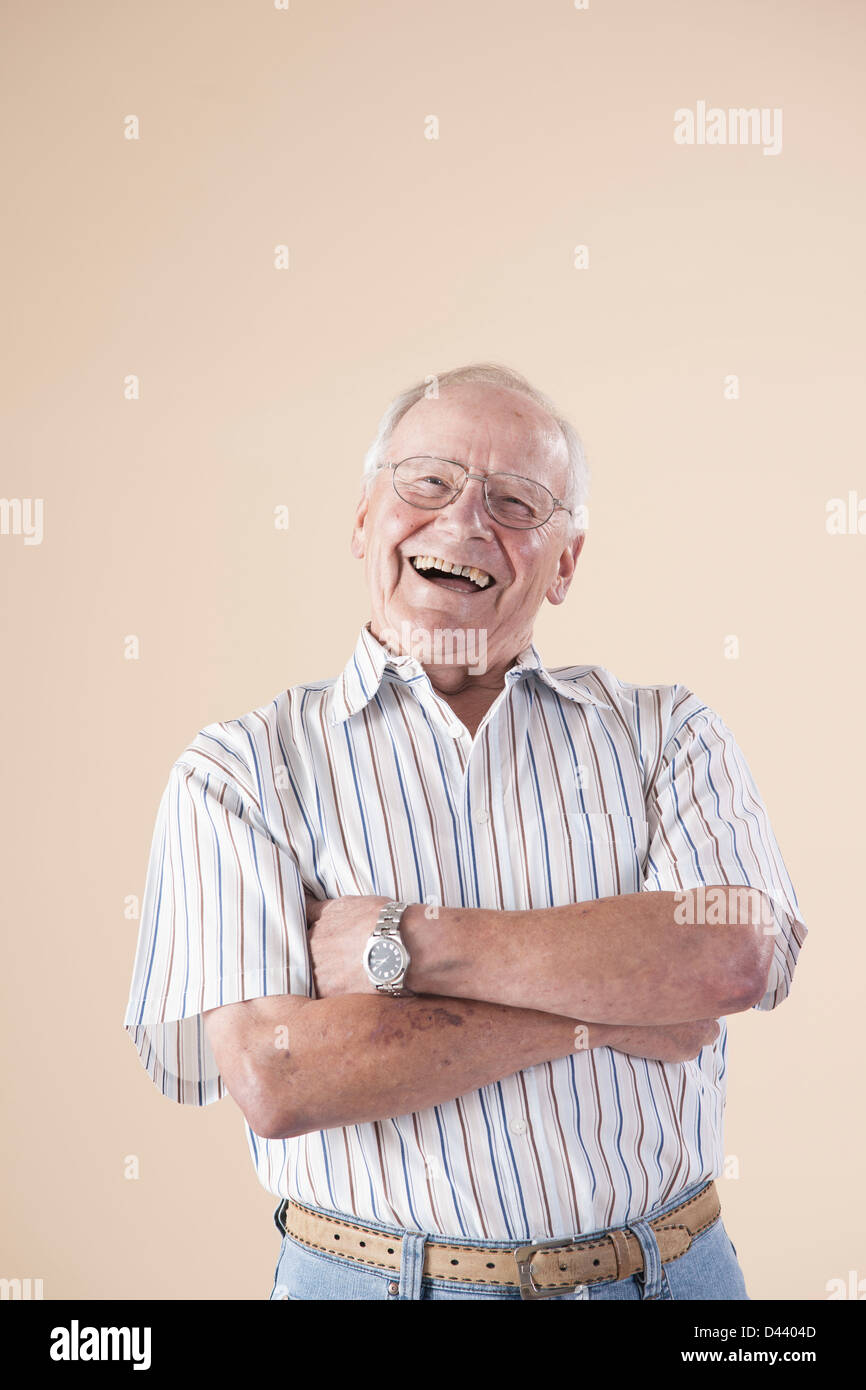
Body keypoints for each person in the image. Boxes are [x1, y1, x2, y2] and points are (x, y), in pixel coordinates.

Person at [123, 362, 807, 1301]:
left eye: (517, 501)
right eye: (429, 482)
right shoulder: (238, 771)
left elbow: (730, 960)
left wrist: (404, 944)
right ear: (364, 518)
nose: (464, 521)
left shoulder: (668, 733)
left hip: (670, 1281)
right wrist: (619, 1001)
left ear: (566, 563)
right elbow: (279, 1078)